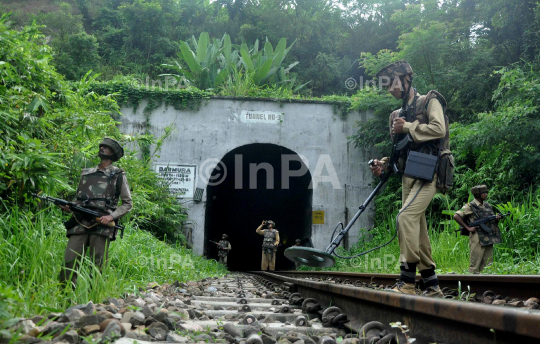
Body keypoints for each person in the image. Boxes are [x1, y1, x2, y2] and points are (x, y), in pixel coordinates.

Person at [370, 60, 449, 297]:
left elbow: (439, 129)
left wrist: (408, 127)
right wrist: (383, 163)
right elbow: (399, 149)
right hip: (408, 175)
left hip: (430, 172)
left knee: (404, 217)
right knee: (418, 227)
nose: (390, 89)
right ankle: (432, 285)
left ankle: (406, 281)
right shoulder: (396, 114)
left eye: (393, 83)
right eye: (386, 86)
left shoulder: (429, 101)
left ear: (407, 79)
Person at [59, 138, 132, 288]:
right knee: (70, 261)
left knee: (97, 266)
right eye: (101, 146)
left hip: (102, 224)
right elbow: (79, 199)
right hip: (80, 223)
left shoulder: (118, 175)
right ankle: (64, 297)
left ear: (113, 153)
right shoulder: (86, 173)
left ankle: (96, 300)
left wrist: (111, 216)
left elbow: (127, 203)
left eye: (106, 147)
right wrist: (69, 207)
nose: (102, 148)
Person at [453, 185, 502, 273]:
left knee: (488, 264)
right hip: (477, 237)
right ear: (478, 195)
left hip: (488, 237)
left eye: (486, 192)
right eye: (484, 193)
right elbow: (456, 216)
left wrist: (496, 219)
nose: (486, 194)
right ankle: (472, 285)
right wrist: (468, 228)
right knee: (475, 264)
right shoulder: (470, 206)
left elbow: (490, 221)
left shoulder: (487, 205)